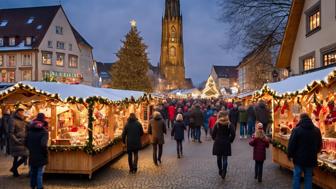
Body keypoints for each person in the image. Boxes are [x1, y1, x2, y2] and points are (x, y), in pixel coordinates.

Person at [288, 113, 322, 189]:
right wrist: (314, 152)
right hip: (311, 159)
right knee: (308, 178)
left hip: (298, 159)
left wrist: (289, 155)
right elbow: (320, 145)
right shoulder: (317, 130)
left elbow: (291, 144)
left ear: (300, 119)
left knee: (297, 177)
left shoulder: (296, 130)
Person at [25, 113, 49, 189]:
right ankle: (39, 187)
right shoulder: (44, 132)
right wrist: (45, 153)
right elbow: (43, 145)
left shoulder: (30, 131)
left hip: (32, 154)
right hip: (41, 154)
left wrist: (31, 149)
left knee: (33, 171)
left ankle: (32, 186)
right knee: (39, 172)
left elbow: (25, 142)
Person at [212, 111, 235, 179]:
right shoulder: (229, 124)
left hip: (218, 142)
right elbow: (233, 134)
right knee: (225, 158)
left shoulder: (217, 124)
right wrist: (230, 140)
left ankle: (220, 170)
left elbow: (213, 133)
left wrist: (215, 139)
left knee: (219, 158)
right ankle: (224, 171)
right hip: (226, 142)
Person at [9, 108, 29, 177]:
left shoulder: (23, 120)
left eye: (23, 112)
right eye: (21, 112)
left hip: (23, 142)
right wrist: (16, 141)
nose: (23, 113)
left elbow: (26, 129)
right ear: (18, 112)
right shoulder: (13, 120)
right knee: (16, 157)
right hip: (16, 142)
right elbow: (11, 133)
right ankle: (15, 172)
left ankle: (13, 168)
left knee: (25, 157)